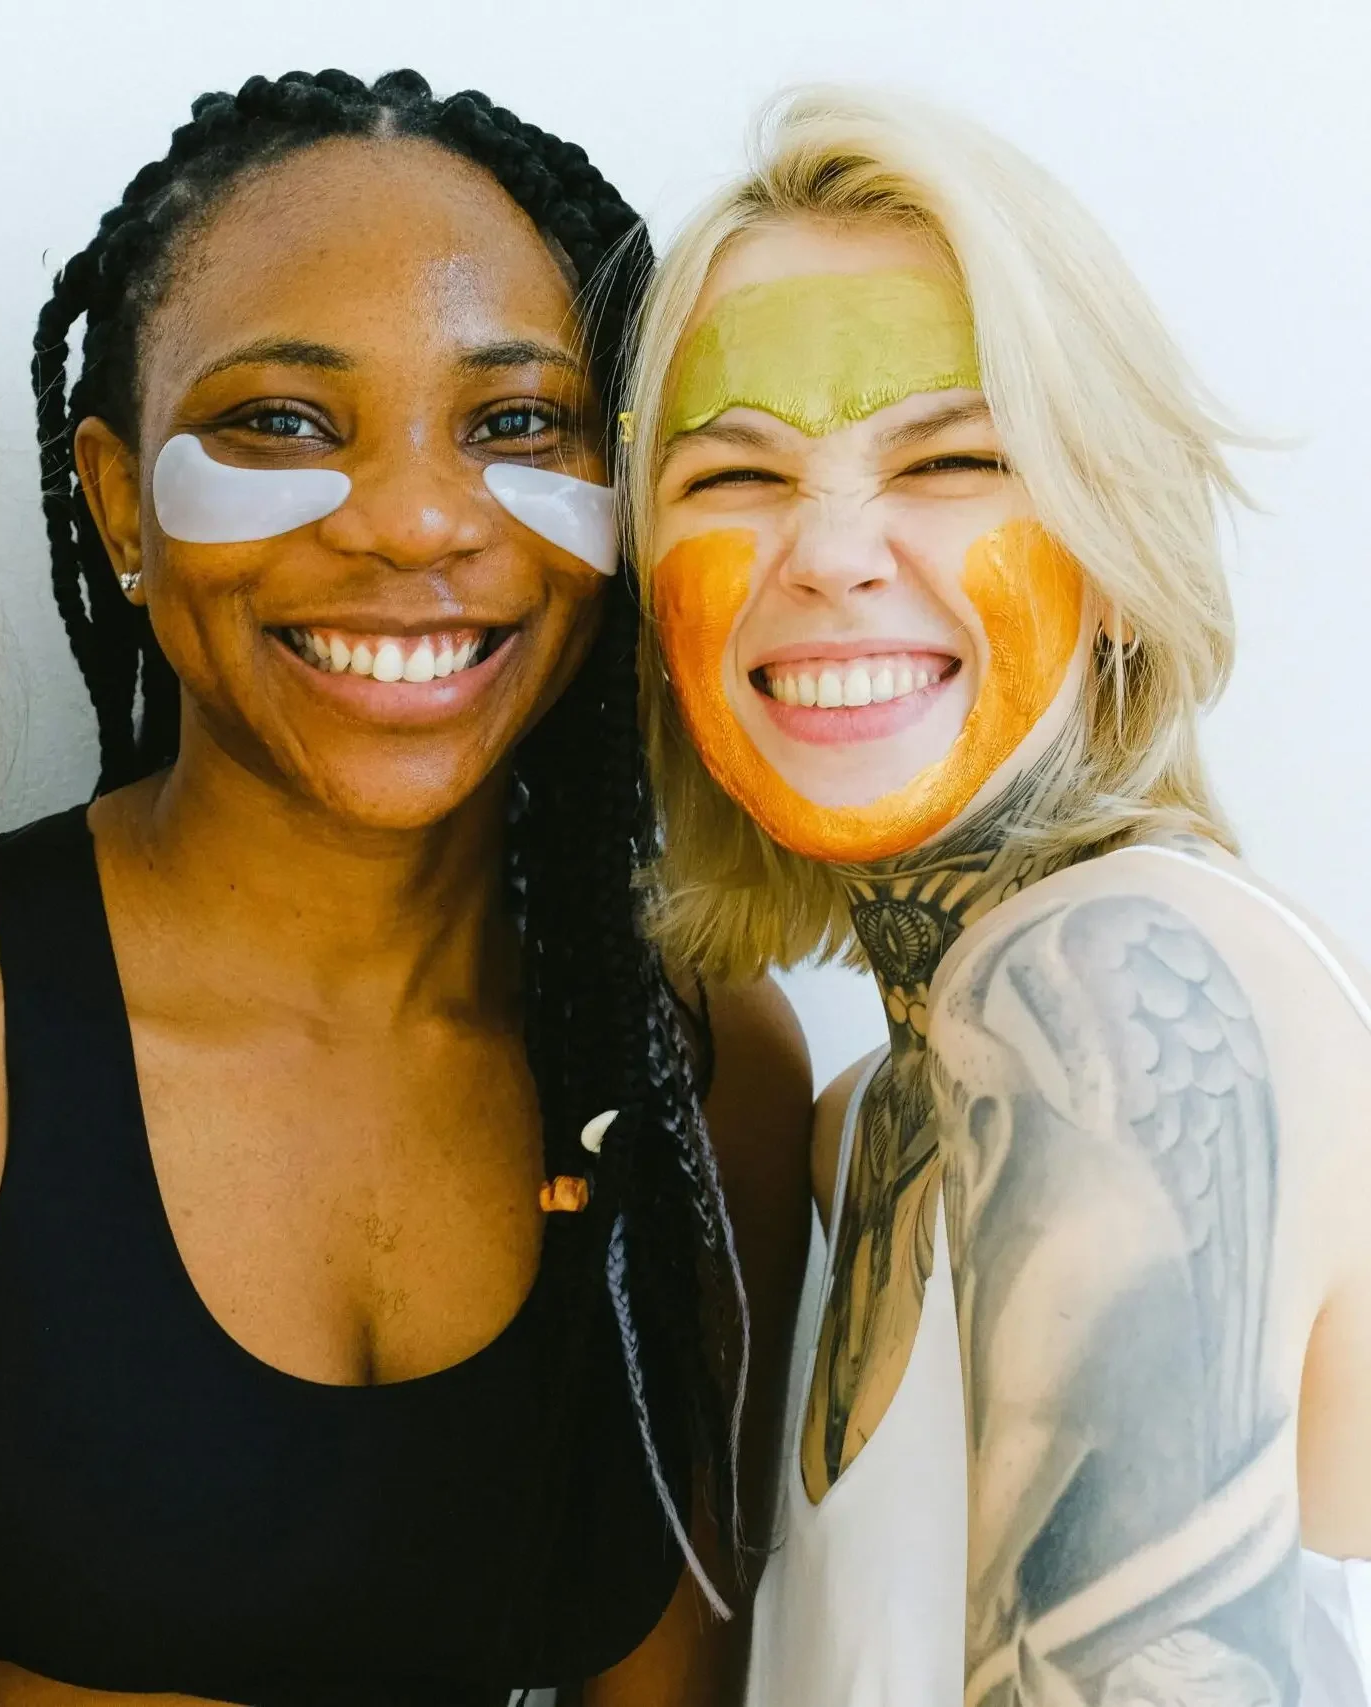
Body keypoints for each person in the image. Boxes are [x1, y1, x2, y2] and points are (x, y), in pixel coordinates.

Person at [0, 69, 814, 1707]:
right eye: (283, 421)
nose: (418, 519)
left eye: (515, 425)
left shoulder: (703, 1068)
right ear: (120, 498)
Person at [626, 87, 1371, 1706]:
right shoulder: (861, 1118)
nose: (828, 551)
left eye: (954, 456)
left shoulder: (1111, 980)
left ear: (1112, 544)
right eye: (735, 477)